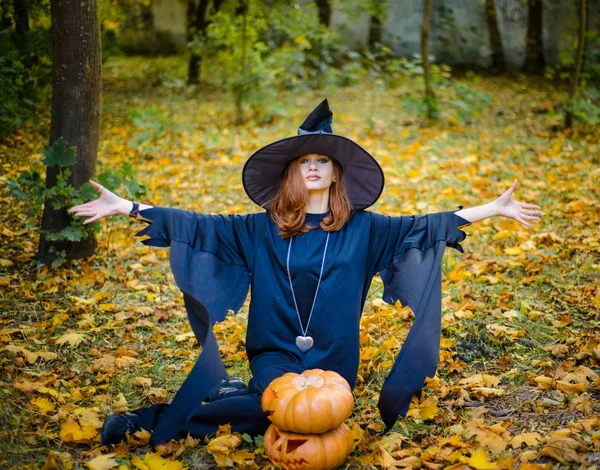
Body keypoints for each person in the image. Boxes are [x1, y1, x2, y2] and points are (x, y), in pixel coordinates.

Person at [70, 100, 543, 447]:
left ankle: (232, 394)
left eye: (322, 162)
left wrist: (493, 209)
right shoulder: (260, 230)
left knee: (317, 416)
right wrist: (129, 207)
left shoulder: (368, 230)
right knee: (273, 413)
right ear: (291, 174)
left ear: (337, 174)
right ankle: (151, 420)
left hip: (335, 361)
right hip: (274, 353)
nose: (313, 168)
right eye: (304, 162)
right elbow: (199, 225)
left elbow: (426, 226)